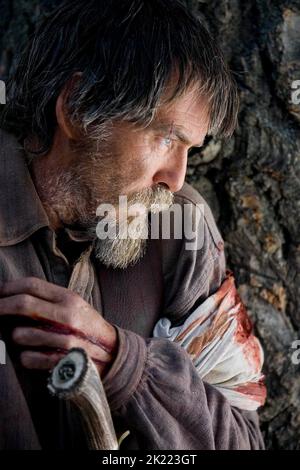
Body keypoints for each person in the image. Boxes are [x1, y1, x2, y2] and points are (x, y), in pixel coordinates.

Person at [0, 0, 266, 449]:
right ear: (80, 109)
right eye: (166, 138)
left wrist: (125, 366)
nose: (176, 178)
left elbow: (244, 441)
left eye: (190, 150)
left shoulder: (180, 228)